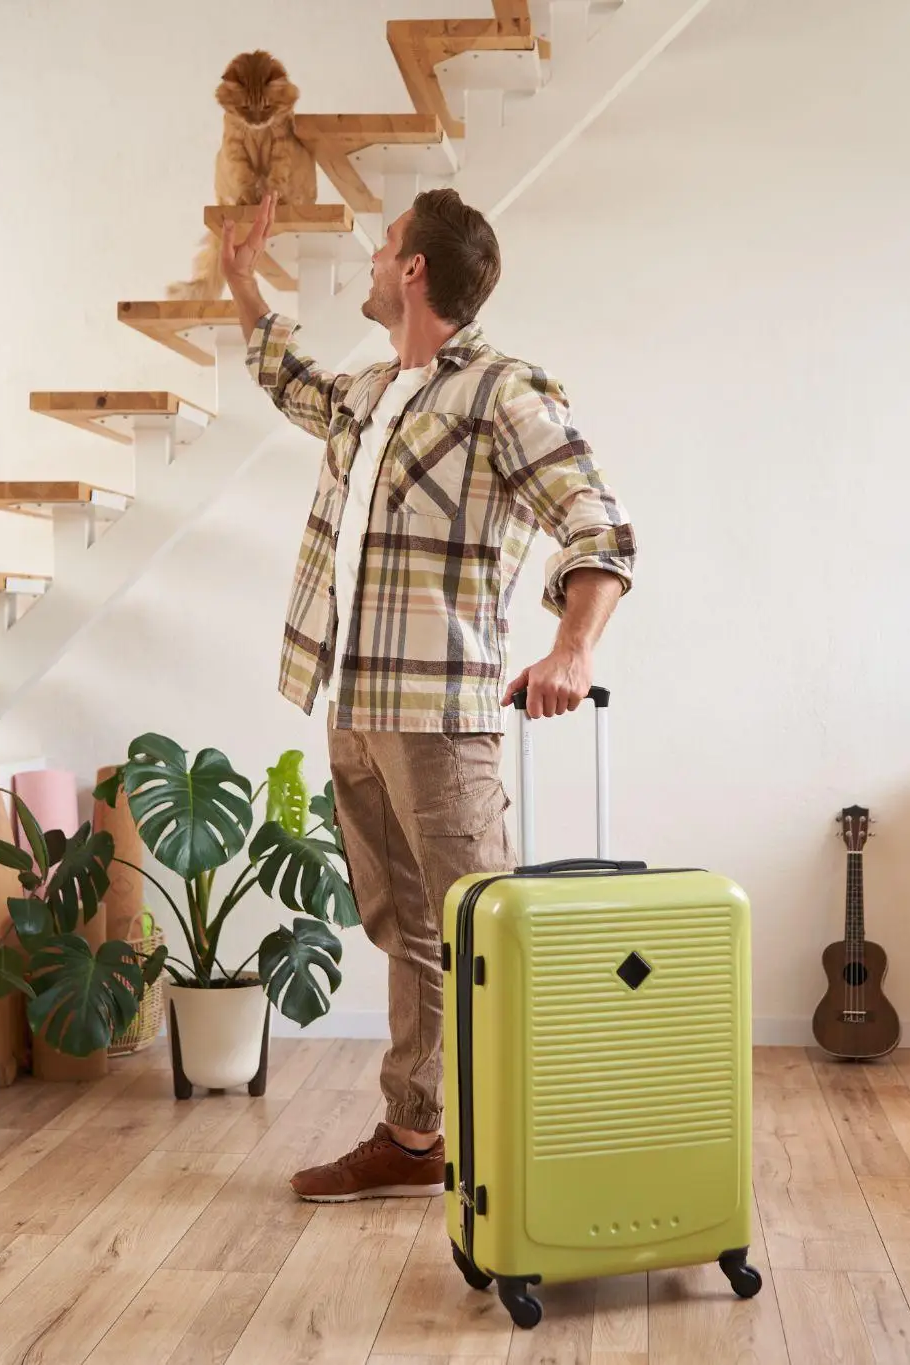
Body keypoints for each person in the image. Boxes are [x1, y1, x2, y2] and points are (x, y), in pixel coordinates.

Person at [221, 188, 636, 1201]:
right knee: (402, 929)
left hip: (441, 721)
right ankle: (414, 1142)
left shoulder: (502, 391)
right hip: (353, 704)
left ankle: (536, 1154)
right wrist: (239, 279)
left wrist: (570, 649)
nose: (369, 255)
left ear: (412, 270)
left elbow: (598, 526)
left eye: (383, 244)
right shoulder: (369, 394)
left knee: (481, 933)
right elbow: (291, 382)